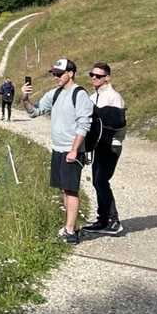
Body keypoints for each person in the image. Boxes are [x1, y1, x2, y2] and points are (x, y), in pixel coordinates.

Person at [22, 58, 94, 244]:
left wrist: (74, 150)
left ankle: (70, 232)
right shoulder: (54, 93)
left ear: (70, 73)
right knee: (64, 189)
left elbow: (84, 125)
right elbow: (34, 112)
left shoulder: (80, 94)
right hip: (58, 149)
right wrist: (25, 98)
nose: (56, 77)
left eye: (59, 74)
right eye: (54, 74)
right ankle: (72, 226)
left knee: (71, 190)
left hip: (72, 150)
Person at [81, 62, 126, 236]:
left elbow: (118, 123)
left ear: (107, 78)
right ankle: (103, 219)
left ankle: (113, 221)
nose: (94, 78)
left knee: (101, 181)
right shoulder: (93, 97)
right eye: (92, 75)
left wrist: (99, 113)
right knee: (97, 181)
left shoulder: (114, 97)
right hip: (98, 146)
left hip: (111, 146)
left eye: (98, 76)